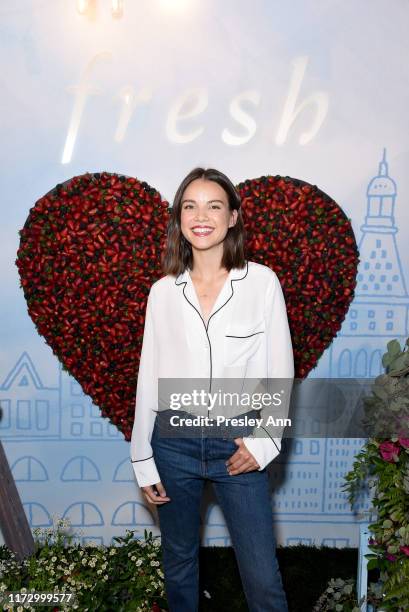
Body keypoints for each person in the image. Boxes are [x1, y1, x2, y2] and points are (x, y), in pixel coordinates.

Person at [130, 167, 294, 612]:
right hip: (173, 443)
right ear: (179, 218)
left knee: (261, 577)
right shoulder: (162, 292)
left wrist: (264, 442)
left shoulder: (261, 283)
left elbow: (279, 371)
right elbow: (150, 376)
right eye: (190, 205)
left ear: (233, 217)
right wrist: (142, 458)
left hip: (237, 444)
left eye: (214, 205)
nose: (201, 216)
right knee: (179, 565)